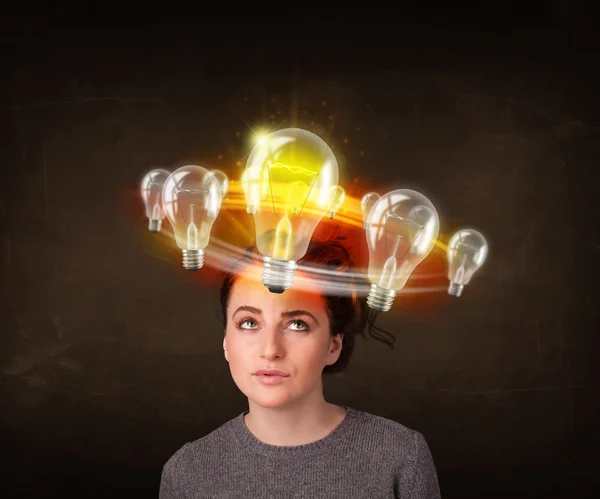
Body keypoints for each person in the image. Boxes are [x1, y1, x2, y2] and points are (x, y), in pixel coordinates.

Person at [159, 238, 441, 498]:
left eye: (297, 324)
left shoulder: (401, 456)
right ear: (225, 342)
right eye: (249, 323)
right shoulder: (187, 473)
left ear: (334, 345)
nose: (270, 350)